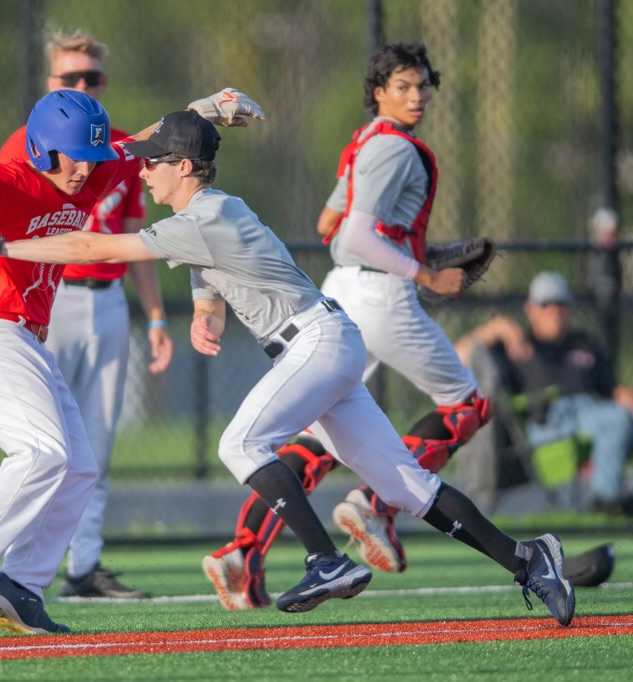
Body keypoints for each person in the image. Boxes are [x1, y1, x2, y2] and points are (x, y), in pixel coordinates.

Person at [0, 109, 576, 626]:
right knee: (407, 488)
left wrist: (2, 247)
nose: (143, 174)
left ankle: (326, 562)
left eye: (153, 164)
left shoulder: (203, 217)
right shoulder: (214, 210)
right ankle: (528, 560)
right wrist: (206, 311)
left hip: (315, 342)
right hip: (325, 342)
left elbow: (92, 248)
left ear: (183, 167)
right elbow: (204, 263)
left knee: (241, 445)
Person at [0, 87, 260, 635]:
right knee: (42, 451)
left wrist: (206, 109)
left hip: (30, 342)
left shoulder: (95, 172)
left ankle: (21, 587)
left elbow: (144, 140)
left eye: (89, 155)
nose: (83, 168)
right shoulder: (14, 179)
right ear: (42, 149)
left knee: (78, 467)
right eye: (72, 154)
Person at [201, 42, 492, 609]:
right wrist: (427, 274)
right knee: (468, 405)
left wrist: (414, 251)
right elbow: (355, 237)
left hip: (342, 293)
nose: (417, 96)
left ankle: (241, 553)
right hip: (380, 296)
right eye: (403, 86)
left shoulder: (362, 143)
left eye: (424, 85)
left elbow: (330, 221)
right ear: (379, 92)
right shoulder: (398, 148)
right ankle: (376, 503)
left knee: (317, 434)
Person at [0, 30, 173, 600]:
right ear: (48, 83)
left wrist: (156, 317)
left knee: (95, 442)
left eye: (90, 78)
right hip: (49, 300)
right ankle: (22, 563)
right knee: (44, 442)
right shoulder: (24, 145)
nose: (79, 85)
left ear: (104, 82)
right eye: (67, 77)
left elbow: (131, 235)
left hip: (108, 303)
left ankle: (84, 564)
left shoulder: (118, 151)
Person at [454, 271, 633, 517]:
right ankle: (604, 504)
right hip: (554, 422)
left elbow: (613, 389)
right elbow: (456, 358)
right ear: (531, 310)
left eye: (561, 304)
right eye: (546, 304)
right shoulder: (518, 346)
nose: (554, 311)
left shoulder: (585, 342)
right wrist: (496, 328)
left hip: (604, 415)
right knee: (615, 419)